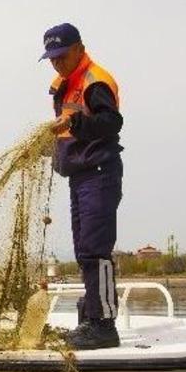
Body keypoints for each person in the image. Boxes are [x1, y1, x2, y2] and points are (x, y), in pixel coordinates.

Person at [40, 23, 124, 350]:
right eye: (52, 58)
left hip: (99, 172)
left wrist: (74, 121)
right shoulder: (65, 84)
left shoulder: (94, 81)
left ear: (79, 48)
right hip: (80, 175)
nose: (57, 63)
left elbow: (111, 122)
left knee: (95, 249)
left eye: (62, 55)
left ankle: (104, 326)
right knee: (83, 249)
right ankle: (91, 315)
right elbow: (68, 134)